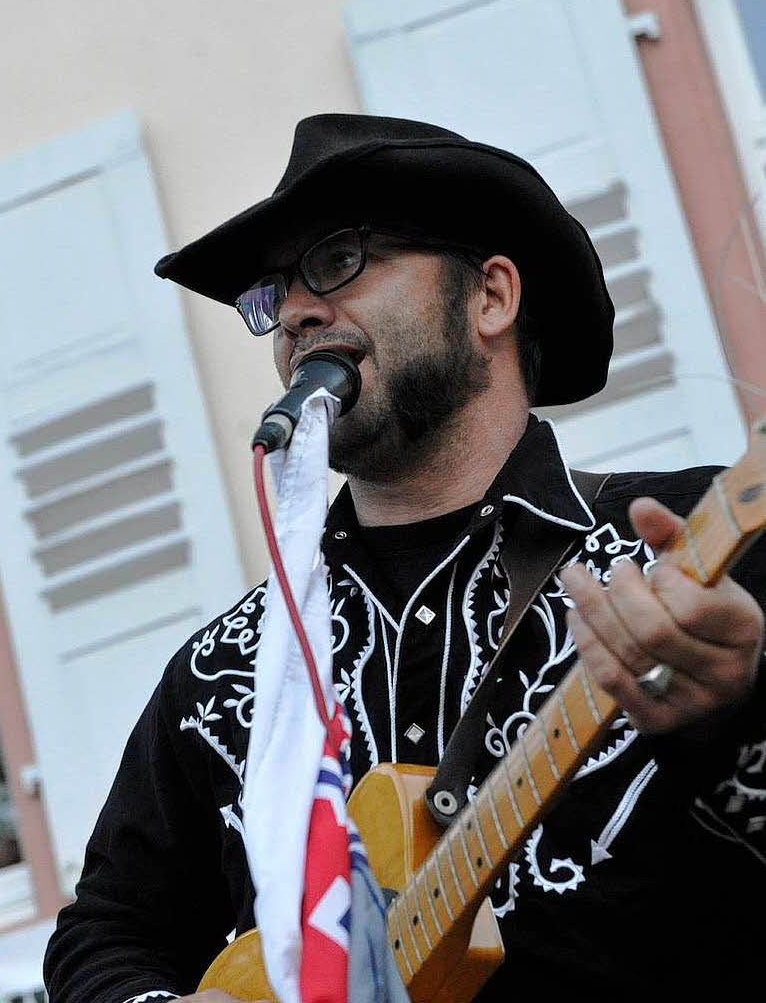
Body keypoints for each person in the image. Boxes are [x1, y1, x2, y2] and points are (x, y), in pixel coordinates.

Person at [44, 114, 766, 1002]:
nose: (297, 312)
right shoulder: (232, 670)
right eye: (274, 294)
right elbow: (106, 931)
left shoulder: (700, 549)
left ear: (491, 299)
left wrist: (735, 721)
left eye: (340, 260)